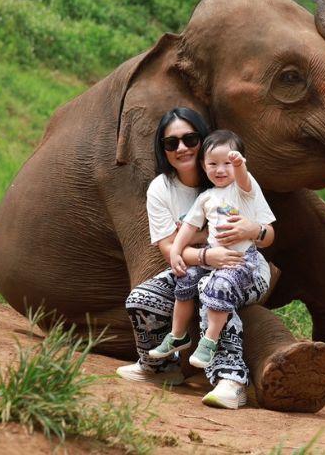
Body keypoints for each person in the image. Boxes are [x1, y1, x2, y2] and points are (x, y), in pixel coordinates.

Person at [118, 108, 275, 409]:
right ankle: (161, 369)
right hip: (198, 265)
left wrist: (253, 229)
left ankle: (232, 379)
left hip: (241, 266)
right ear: (162, 150)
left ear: (202, 141)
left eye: (190, 138)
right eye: (171, 143)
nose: (181, 148)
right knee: (141, 299)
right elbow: (170, 249)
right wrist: (206, 254)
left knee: (211, 290)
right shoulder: (161, 189)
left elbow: (269, 235)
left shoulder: (231, 178)